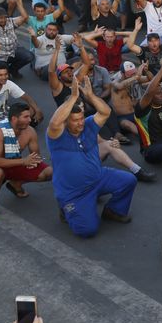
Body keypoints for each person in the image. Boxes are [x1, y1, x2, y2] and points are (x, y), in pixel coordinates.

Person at [47, 77, 137, 237]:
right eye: (75, 120)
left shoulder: (89, 125)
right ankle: (66, 209)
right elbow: (54, 123)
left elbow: (105, 112)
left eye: (81, 118)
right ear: (66, 122)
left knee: (128, 180)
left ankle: (112, 211)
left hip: (98, 178)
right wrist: (73, 96)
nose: (80, 123)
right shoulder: (57, 136)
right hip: (74, 192)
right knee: (87, 230)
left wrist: (90, 96)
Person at [0, 102, 53, 221]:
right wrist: (24, 162)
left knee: (49, 172)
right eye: (26, 117)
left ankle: (16, 183)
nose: (30, 119)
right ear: (14, 118)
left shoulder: (30, 131)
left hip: (15, 163)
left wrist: (34, 161)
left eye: (29, 116)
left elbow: (35, 157)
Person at [134, 54, 162, 168]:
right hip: (151, 149)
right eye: (157, 94)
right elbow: (149, 92)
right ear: (150, 98)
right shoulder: (142, 110)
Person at [0, 61, 43, 129]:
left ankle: (18, 126)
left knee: (32, 109)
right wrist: (4, 123)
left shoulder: (8, 83)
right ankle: (19, 126)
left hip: (4, 113)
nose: (4, 77)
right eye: (0, 75)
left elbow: (27, 97)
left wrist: (37, 110)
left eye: (6, 74)